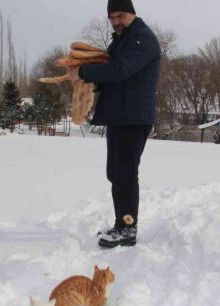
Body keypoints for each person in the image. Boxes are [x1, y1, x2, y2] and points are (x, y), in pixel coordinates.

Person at [67, 0, 161, 248]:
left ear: (132, 13)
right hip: (120, 116)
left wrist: (84, 73)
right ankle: (122, 223)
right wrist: (88, 83)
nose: (116, 21)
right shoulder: (122, 39)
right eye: (112, 17)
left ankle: (128, 229)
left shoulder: (142, 38)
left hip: (134, 117)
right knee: (116, 173)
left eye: (121, 15)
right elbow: (112, 74)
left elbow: (121, 70)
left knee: (126, 174)